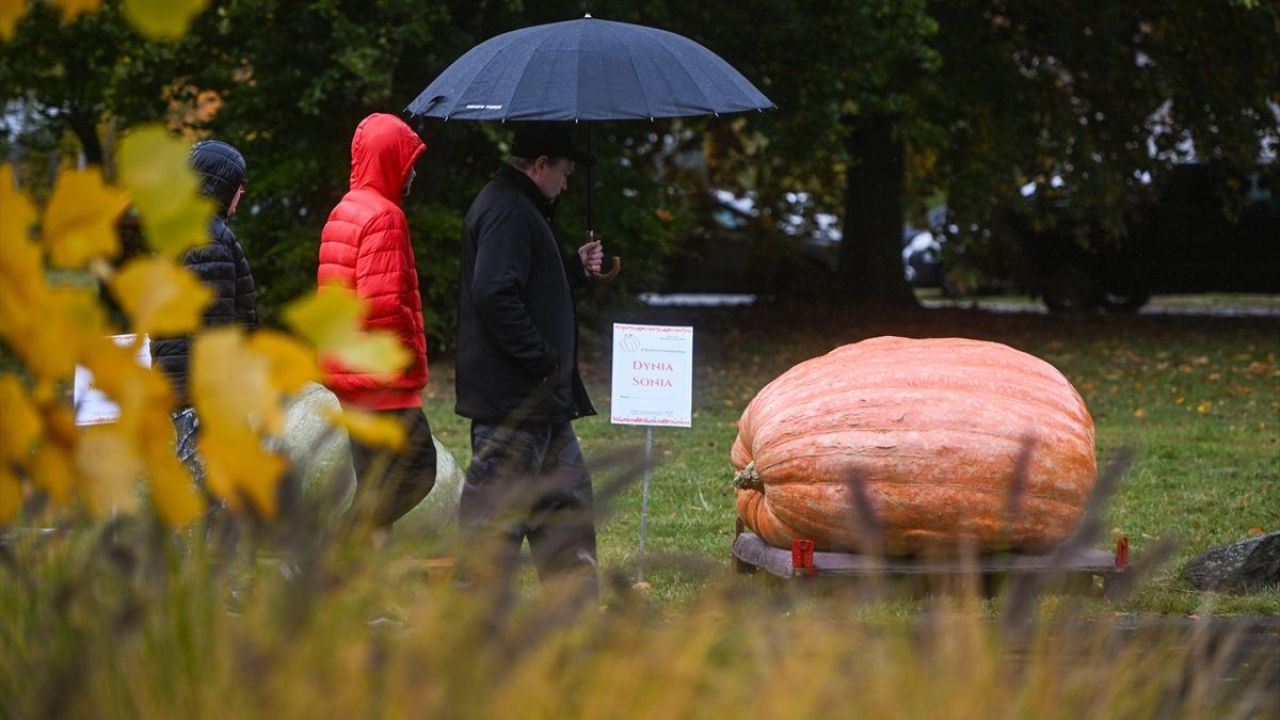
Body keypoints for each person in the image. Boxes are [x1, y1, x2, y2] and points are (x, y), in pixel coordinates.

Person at [455, 122, 606, 599]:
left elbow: (526, 281)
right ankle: (467, 632)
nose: (566, 182)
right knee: (492, 528)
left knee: (566, 511)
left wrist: (571, 268)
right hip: (514, 404)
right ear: (540, 165)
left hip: (542, 402)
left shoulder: (521, 207)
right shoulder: (508, 210)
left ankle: (575, 622)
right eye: (565, 171)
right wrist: (541, 358)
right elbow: (494, 292)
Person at [318, 112, 436, 534]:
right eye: (409, 161)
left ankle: (352, 591)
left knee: (373, 486)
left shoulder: (344, 210)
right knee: (418, 471)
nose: (414, 172)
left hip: (349, 374)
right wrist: (406, 353)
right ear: (390, 161)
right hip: (382, 378)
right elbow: (381, 307)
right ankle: (327, 556)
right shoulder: (385, 216)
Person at [152, 140, 258, 489]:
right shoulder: (207, 238)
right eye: (240, 186)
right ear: (221, 185)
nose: (242, 194)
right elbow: (212, 326)